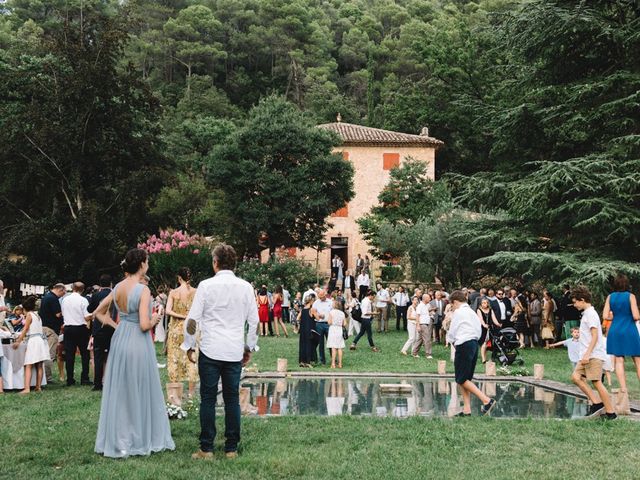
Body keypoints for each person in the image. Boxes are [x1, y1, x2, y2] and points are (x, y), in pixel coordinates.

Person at [94, 248, 175, 457]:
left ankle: (120, 436)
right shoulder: (143, 290)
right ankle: (137, 436)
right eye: (146, 261)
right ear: (141, 264)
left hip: (120, 339)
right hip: (138, 343)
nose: (148, 264)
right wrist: (156, 319)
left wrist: (116, 326)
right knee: (139, 386)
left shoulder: (118, 287)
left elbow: (98, 313)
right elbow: (144, 325)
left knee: (122, 389)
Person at [182, 244, 259, 459]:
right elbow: (254, 321)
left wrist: (189, 344)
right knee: (232, 398)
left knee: (207, 398)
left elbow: (192, 320)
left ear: (215, 263)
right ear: (233, 263)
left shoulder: (206, 286)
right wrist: (249, 347)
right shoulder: (245, 287)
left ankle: (206, 448)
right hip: (234, 349)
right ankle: (231, 448)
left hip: (210, 349)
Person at [446, 290, 496, 416]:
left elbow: (452, 331)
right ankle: (467, 410)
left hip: (463, 344)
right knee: (465, 378)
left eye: (451, 305)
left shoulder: (458, 312)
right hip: (474, 343)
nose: (451, 307)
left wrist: (452, 341)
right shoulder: (472, 312)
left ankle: (486, 400)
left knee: (461, 378)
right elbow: (478, 330)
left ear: (455, 302)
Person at [570, 286, 616, 419]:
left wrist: (587, 354)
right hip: (585, 355)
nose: (574, 305)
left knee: (596, 382)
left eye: (575, 302)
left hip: (593, 355)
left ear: (582, 300)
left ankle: (610, 412)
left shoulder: (591, 314)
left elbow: (595, 336)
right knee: (575, 377)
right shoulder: (586, 314)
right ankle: (596, 403)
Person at [602, 273, 640, 395]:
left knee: (619, 361)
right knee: (638, 361)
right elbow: (636, 316)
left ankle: (624, 391)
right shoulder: (631, 296)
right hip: (629, 330)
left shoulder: (610, 297)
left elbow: (604, 316)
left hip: (615, 331)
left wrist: (616, 317)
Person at [165, 267, 199, 398]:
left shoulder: (174, 292)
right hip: (190, 328)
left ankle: (175, 392)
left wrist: (180, 315)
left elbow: (168, 310)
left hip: (176, 329)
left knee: (175, 358)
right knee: (191, 358)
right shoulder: (195, 292)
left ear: (179, 278)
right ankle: (191, 393)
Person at [12, 295, 49, 394]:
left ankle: (27, 388)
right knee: (39, 365)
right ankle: (38, 387)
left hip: (33, 341)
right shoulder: (38, 315)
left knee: (28, 364)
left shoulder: (29, 315)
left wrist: (18, 341)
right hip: (40, 340)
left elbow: (25, 329)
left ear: (24, 309)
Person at [87, 274, 115, 391]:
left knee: (98, 357)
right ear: (111, 284)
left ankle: (98, 383)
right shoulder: (114, 294)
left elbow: (90, 310)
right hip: (112, 327)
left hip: (98, 328)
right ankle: (111, 381)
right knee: (112, 356)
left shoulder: (96, 295)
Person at [61, 282, 92, 386]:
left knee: (69, 355)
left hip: (68, 328)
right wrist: (94, 315)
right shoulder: (83, 300)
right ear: (82, 290)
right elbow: (87, 316)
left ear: (73, 288)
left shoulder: (65, 300)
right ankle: (85, 378)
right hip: (81, 328)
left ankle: (70, 379)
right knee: (85, 354)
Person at [39, 283, 65, 382]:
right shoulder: (53, 299)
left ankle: (45, 376)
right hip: (51, 329)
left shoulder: (46, 297)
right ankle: (46, 377)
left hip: (44, 327)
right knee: (50, 354)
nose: (63, 295)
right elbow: (58, 314)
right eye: (63, 293)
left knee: (45, 352)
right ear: (60, 290)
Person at [311, 288, 333, 364]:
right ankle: (322, 360)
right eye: (319, 297)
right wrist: (318, 315)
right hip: (319, 324)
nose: (321, 298)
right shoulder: (316, 303)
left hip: (328, 324)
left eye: (322, 297)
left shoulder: (330, 302)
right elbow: (313, 312)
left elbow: (333, 312)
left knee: (330, 342)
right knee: (321, 343)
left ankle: (333, 359)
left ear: (325, 295)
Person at [476, 298, 498, 364]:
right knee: (484, 343)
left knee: (487, 344)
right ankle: (483, 359)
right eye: (483, 303)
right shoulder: (479, 310)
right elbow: (481, 319)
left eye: (485, 303)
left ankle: (485, 358)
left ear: (488, 303)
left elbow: (494, 318)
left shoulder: (490, 310)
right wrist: (484, 325)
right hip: (483, 328)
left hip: (490, 328)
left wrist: (497, 323)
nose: (484, 304)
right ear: (481, 304)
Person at [412, 294, 434, 359]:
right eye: (428, 298)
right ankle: (428, 354)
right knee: (427, 339)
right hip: (422, 324)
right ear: (424, 299)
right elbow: (417, 316)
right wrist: (418, 325)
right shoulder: (420, 306)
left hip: (425, 324)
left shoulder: (426, 306)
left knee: (420, 339)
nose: (430, 299)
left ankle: (414, 352)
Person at [298, 293, 316, 367]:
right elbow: (317, 318)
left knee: (303, 344)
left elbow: (297, 318)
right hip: (309, 329)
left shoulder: (303, 310)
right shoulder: (312, 309)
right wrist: (321, 316)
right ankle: (308, 361)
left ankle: (302, 361)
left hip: (303, 329)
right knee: (309, 344)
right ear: (311, 301)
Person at [327, 300, 346, 368]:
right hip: (339, 329)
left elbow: (329, 322)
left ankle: (333, 364)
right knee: (340, 347)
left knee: (333, 347)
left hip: (333, 329)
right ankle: (340, 364)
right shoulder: (342, 313)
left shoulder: (331, 312)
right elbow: (345, 323)